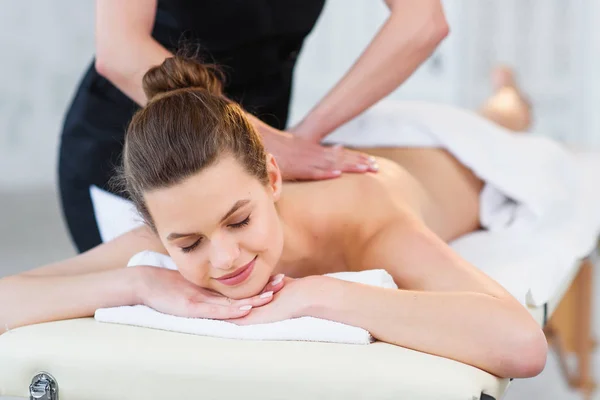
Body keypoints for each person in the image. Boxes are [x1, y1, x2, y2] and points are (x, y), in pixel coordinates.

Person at [2, 57, 546, 379]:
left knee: (500, 122)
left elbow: (521, 345)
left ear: (274, 178)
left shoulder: (369, 225)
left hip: (441, 157)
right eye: (188, 244)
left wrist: (319, 294)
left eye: (239, 221)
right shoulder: (175, 229)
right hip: (348, 147)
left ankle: (507, 96)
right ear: (156, 230)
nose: (225, 259)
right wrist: (138, 282)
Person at [58, 0, 449, 253]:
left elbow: (423, 22)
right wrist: (271, 142)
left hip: (251, 157)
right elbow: (119, 49)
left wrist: (303, 136)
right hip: (141, 158)